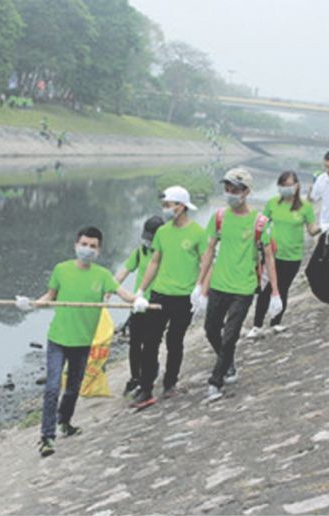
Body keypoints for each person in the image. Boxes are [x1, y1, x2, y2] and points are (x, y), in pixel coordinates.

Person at [15, 227, 148, 457]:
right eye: (84, 244)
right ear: (76, 245)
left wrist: (138, 300)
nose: (87, 249)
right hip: (58, 339)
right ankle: (46, 437)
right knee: (52, 387)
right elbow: (50, 296)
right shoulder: (61, 270)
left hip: (83, 342)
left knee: (73, 388)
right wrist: (31, 305)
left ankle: (65, 422)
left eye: (93, 246)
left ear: (99, 250)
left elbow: (122, 293)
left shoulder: (102, 275)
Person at [193, 168, 281, 402]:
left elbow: (269, 257)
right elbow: (210, 250)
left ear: (247, 192)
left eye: (235, 190)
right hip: (219, 284)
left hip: (243, 287)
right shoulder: (220, 217)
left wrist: (275, 292)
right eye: (227, 189)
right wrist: (200, 285)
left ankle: (216, 381)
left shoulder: (260, 222)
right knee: (211, 329)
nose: (230, 194)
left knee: (230, 335)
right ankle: (228, 362)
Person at [130, 186, 208, 409]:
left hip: (184, 297)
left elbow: (206, 262)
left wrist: (200, 290)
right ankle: (145, 388)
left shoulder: (197, 233)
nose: (165, 209)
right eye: (164, 205)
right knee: (150, 341)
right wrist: (141, 291)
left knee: (175, 341)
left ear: (181, 206)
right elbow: (155, 261)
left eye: (168, 205)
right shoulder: (162, 233)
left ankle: (170, 383)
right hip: (160, 294)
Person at [247, 171, 320, 339]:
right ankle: (257, 326)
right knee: (267, 290)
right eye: (284, 185)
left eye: (290, 185)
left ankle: (276, 322)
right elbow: (261, 225)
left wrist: (323, 228)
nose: (287, 189)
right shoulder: (272, 204)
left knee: (283, 288)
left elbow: (311, 229)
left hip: (293, 255)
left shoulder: (304, 207)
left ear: (296, 186)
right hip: (272, 254)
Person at [114, 216, 165, 396]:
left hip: (157, 305)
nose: (148, 241)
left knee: (151, 343)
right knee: (134, 343)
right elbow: (123, 272)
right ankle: (135, 377)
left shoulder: (166, 253)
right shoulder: (140, 252)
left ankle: (148, 376)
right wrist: (110, 289)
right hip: (138, 304)